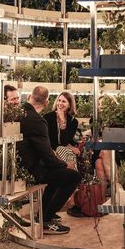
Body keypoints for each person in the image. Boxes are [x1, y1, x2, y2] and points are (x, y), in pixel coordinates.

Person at [17, 86, 81, 235]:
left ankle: (43, 216)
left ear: (28, 97)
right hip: (31, 169)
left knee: (57, 173)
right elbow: (48, 157)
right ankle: (46, 221)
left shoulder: (21, 113)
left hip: (23, 164)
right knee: (74, 176)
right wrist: (66, 164)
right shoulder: (38, 121)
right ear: (47, 103)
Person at [43, 92, 80, 170]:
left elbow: (65, 141)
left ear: (69, 105)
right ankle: (73, 176)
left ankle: (71, 176)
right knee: (66, 151)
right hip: (51, 149)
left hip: (63, 148)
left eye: (64, 101)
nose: (60, 103)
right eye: (59, 100)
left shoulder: (73, 122)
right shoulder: (47, 118)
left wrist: (62, 121)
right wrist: (69, 147)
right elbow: (47, 139)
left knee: (68, 153)